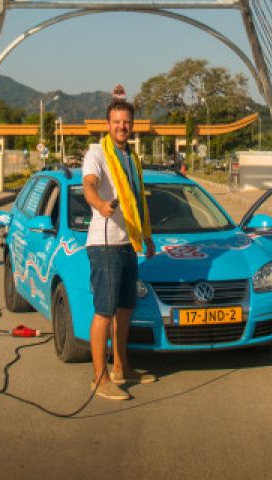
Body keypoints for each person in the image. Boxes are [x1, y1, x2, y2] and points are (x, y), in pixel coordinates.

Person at [82, 97, 157, 401]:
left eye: (126, 122)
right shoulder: (97, 153)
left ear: (132, 124)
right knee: (104, 312)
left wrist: (147, 237)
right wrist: (100, 204)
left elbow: (139, 201)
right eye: (116, 122)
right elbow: (89, 184)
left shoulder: (132, 159)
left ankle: (121, 367)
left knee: (125, 311)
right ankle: (99, 379)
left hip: (128, 243)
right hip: (104, 245)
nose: (122, 127)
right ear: (108, 124)